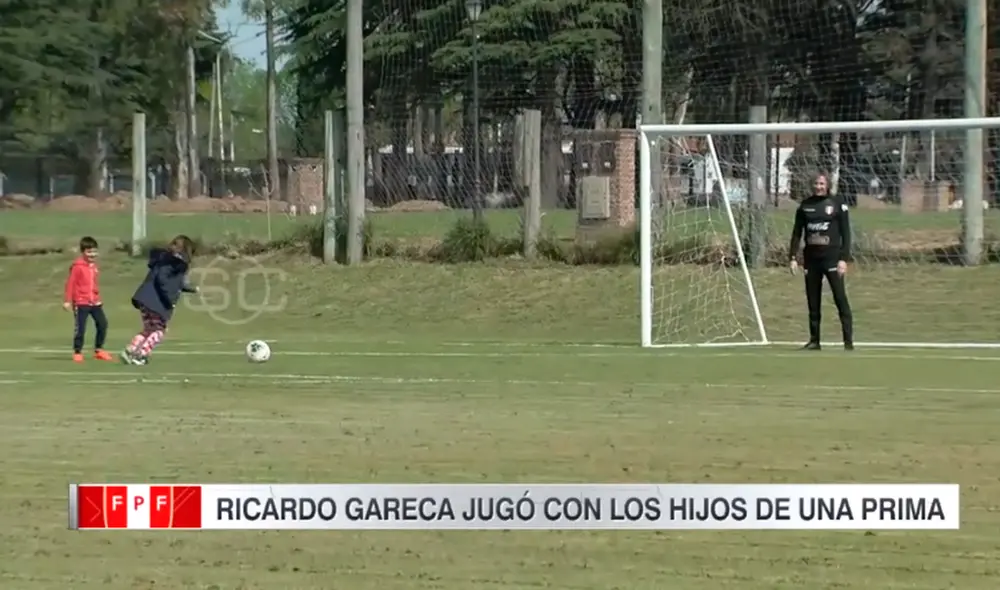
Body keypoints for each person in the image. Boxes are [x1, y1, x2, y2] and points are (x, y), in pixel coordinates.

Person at [788, 173, 854, 350]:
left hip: (832, 259)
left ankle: (848, 342)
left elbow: (846, 233)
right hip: (811, 260)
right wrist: (793, 257)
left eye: (822, 183)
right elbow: (796, 233)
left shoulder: (837, 204)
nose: (819, 186)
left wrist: (843, 259)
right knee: (813, 300)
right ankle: (814, 340)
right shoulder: (805, 206)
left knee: (840, 298)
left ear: (827, 185)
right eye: (816, 183)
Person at [121, 235, 199, 365]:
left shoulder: (162, 259)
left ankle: (131, 350)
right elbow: (164, 281)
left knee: (148, 329)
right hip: (156, 302)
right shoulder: (172, 263)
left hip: (144, 299)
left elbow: (175, 284)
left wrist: (191, 289)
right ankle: (141, 354)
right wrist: (169, 300)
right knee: (159, 331)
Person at [64, 236, 113, 362]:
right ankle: (77, 351)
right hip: (81, 302)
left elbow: (93, 284)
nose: (92, 254)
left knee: (103, 324)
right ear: (83, 252)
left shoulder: (94, 267)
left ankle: (99, 349)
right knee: (81, 327)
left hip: (95, 302)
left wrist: (97, 295)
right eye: (89, 252)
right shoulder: (77, 266)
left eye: (94, 251)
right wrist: (67, 301)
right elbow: (71, 283)